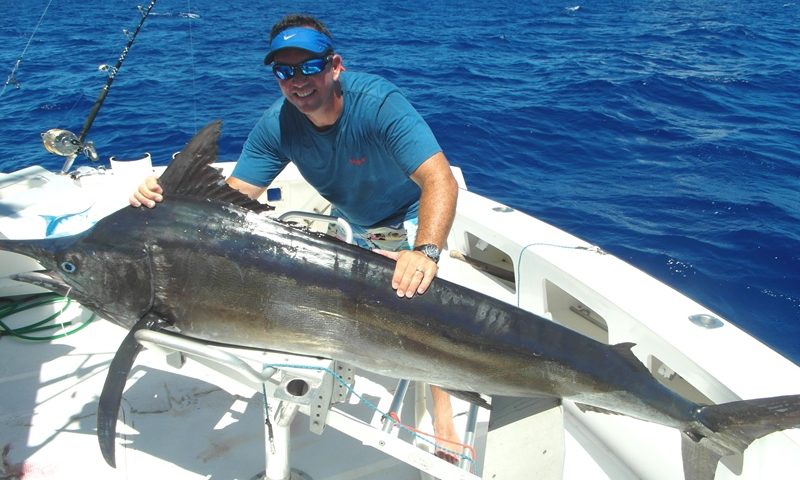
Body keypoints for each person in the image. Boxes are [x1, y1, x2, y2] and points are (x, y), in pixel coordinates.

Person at [130, 14, 462, 463]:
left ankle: (444, 422)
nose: (298, 81)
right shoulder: (277, 126)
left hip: (408, 215)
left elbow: (439, 180)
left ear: (335, 65)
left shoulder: (379, 102)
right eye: (284, 71)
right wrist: (166, 196)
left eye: (309, 66)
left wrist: (424, 252)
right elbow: (230, 201)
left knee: (424, 308)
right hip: (351, 219)